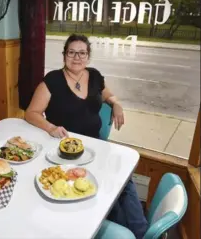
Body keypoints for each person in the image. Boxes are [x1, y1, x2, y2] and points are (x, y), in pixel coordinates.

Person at [25, 33, 148, 238]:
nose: (77, 57)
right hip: (64, 148)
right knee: (99, 189)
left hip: (95, 145)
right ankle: (129, 232)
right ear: (64, 55)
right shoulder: (52, 80)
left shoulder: (95, 76)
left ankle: (141, 232)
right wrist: (50, 128)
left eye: (82, 53)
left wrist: (116, 104)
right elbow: (31, 113)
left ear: (88, 56)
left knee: (123, 181)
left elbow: (109, 95)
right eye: (71, 52)